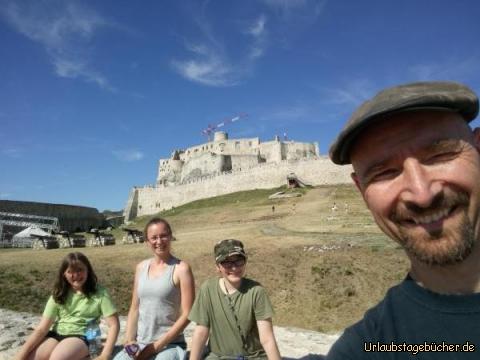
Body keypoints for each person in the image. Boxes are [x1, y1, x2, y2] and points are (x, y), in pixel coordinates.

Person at [327, 81, 480, 359]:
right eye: (384, 173)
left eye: (440, 154)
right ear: (362, 192)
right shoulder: (368, 348)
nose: (422, 195)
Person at [114, 217, 195, 360]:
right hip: (140, 343)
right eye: (154, 238)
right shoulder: (141, 268)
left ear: (170, 236)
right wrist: (129, 340)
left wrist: (155, 347)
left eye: (163, 236)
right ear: (147, 241)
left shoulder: (181, 269)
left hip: (169, 344)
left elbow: (188, 314)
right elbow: (134, 307)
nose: (159, 241)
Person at [15, 252, 119, 360]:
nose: (76, 275)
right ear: (64, 274)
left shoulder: (100, 293)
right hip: (56, 334)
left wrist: (105, 355)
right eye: (71, 272)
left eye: (80, 270)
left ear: (88, 270)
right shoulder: (59, 294)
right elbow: (42, 329)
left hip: (84, 336)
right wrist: (20, 355)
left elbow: (114, 325)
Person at [189, 239, 281, 360]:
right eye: (226, 262)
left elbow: (267, 338)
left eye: (239, 261)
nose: (234, 267)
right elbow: (201, 332)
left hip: (253, 357)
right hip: (218, 356)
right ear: (218, 267)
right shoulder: (207, 289)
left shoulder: (256, 291)